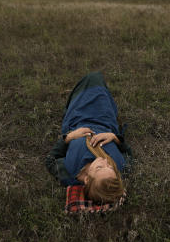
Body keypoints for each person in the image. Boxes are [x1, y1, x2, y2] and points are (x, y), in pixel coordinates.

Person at [46, 72, 131, 204]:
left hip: (78, 119)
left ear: (86, 180)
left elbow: (50, 160)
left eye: (99, 168)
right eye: (110, 167)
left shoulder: (69, 173)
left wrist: (69, 137)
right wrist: (114, 137)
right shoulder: (121, 168)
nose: (104, 161)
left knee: (90, 80)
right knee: (96, 79)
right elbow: (128, 153)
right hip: (105, 121)